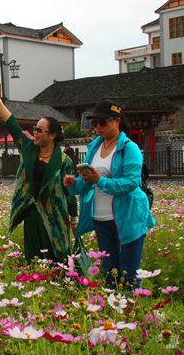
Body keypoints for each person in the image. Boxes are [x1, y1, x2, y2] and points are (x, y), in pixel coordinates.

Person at [63, 100, 155, 289]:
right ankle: (113, 315)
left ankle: (131, 311)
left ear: (116, 121)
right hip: (101, 217)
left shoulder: (130, 148)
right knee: (110, 271)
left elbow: (131, 182)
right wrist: (74, 183)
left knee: (129, 273)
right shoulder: (94, 147)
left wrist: (99, 180)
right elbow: (88, 180)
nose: (97, 127)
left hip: (127, 217)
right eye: (94, 123)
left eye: (102, 122)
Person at [0, 81, 77, 263]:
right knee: (34, 257)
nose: (34, 132)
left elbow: (70, 192)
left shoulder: (64, 160)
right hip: (31, 211)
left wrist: (74, 218)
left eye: (39, 130)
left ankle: (61, 282)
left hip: (55, 214)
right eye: (34, 129)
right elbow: (13, 125)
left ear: (51, 135)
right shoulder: (28, 149)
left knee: (58, 255)